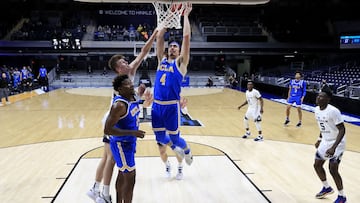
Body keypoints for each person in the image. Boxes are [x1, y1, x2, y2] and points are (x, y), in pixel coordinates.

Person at [87, 27, 159, 203]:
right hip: (115, 119)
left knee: (108, 158)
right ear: (118, 70)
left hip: (121, 117)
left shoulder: (130, 73)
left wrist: (155, 33)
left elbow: (144, 52)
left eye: (126, 61)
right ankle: (102, 193)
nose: (127, 63)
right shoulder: (121, 87)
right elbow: (125, 104)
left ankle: (96, 189)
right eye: (122, 64)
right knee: (110, 158)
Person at [152, 3, 193, 175]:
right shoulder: (161, 60)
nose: (172, 48)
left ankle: (187, 149)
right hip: (156, 105)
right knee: (161, 138)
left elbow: (186, 39)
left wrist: (185, 15)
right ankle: (176, 148)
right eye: (171, 46)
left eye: (175, 47)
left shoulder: (181, 64)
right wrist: (168, 16)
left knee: (175, 138)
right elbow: (160, 37)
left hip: (170, 106)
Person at [104, 75, 146, 203]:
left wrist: (143, 96)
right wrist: (132, 132)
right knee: (130, 179)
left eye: (130, 82)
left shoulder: (132, 98)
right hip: (121, 145)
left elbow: (138, 103)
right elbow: (107, 130)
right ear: (120, 89)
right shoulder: (119, 105)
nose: (131, 85)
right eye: (127, 84)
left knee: (122, 174)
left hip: (129, 143)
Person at [313, 88, 347, 203]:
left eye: (322, 96)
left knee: (333, 169)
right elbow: (322, 126)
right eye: (318, 96)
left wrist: (334, 147)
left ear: (328, 99)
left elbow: (342, 129)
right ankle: (326, 187)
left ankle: (342, 196)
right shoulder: (316, 109)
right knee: (317, 165)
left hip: (337, 142)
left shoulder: (333, 111)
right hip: (325, 140)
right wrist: (319, 138)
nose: (318, 97)